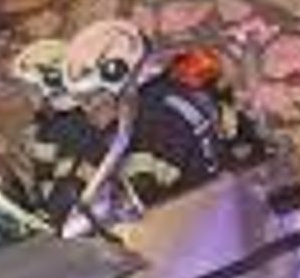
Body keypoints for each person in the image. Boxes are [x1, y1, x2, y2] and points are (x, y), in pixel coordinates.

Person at [12, 19, 226, 230]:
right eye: (81, 99)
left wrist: (83, 215)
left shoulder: (156, 119)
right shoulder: (156, 101)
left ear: (120, 82)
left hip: (198, 232)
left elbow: (142, 192)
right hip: (200, 222)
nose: (88, 108)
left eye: (94, 96)